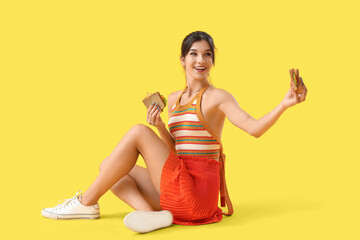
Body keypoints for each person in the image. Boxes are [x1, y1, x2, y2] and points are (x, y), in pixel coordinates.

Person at [41, 31, 307, 233]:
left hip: (197, 194)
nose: (200, 60)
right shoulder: (172, 100)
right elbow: (175, 150)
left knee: (137, 131)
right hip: (178, 184)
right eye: (193, 53)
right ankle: (150, 214)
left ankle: (86, 203)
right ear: (182, 60)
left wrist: (284, 104)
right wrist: (159, 127)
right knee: (108, 167)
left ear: (213, 60)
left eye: (207, 54)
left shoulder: (218, 97)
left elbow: (254, 128)